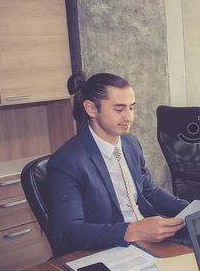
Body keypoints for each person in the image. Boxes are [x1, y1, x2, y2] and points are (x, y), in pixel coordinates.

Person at [47, 72, 187, 256]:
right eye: (119, 109)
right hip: (107, 249)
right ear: (91, 108)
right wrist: (133, 230)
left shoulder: (130, 144)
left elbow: (150, 191)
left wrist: (196, 210)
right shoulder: (66, 162)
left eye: (131, 108)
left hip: (146, 243)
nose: (129, 117)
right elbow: (67, 232)